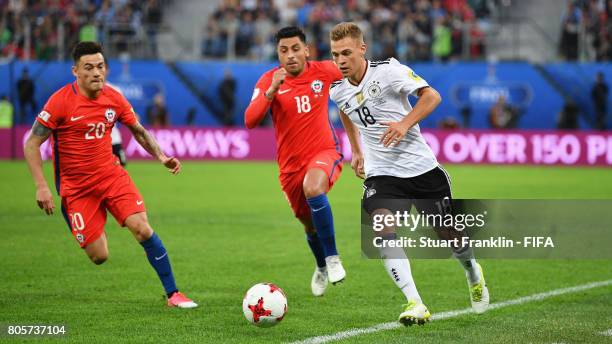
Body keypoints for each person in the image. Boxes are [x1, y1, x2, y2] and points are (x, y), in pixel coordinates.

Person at [328, 22, 489, 325]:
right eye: (336, 54)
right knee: (382, 230)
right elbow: (347, 114)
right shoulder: (338, 90)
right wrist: (357, 150)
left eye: (346, 53)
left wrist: (404, 123)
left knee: (449, 235)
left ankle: (472, 271)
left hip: (421, 170)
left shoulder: (388, 71)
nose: (340, 61)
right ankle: (415, 302)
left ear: (362, 49)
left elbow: (432, 97)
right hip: (381, 174)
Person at [23, 41, 197, 308]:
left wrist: (161, 156)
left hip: (111, 177)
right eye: (89, 67)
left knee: (141, 228)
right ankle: (80, 216)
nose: (96, 73)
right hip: (78, 189)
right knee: (99, 256)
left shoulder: (114, 98)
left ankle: (173, 293)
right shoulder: (60, 102)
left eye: (101, 66)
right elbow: (32, 143)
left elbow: (138, 129)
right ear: (75, 71)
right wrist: (41, 186)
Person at [244, 26, 346, 297]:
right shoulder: (269, 80)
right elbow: (250, 121)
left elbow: (356, 70)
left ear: (307, 50)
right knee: (308, 224)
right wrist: (271, 91)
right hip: (290, 167)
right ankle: (321, 265)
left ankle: (333, 258)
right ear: (277, 54)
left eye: (295, 49)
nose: (290, 55)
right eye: (283, 50)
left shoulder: (324, 71)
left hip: (325, 152)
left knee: (313, 188)